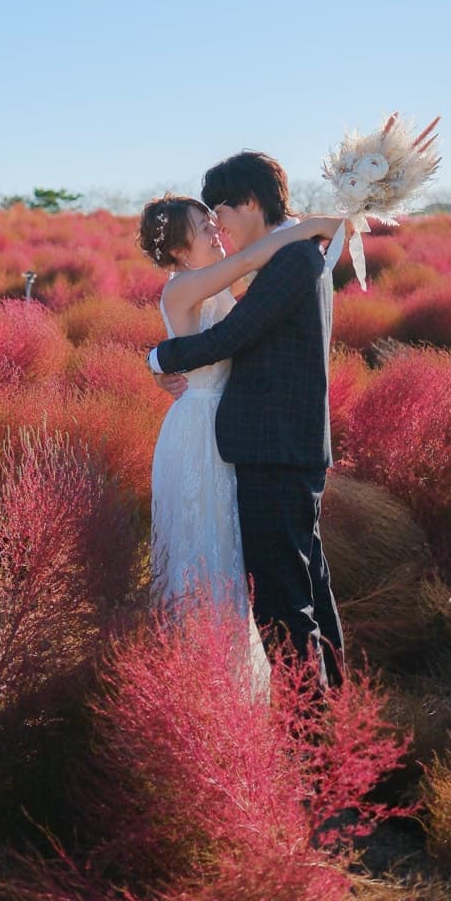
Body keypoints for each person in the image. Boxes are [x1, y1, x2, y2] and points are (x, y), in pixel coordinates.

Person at [147, 152, 348, 687]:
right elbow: (232, 317)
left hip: (272, 449)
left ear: (250, 202)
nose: (219, 229)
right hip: (235, 441)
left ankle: (313, 735)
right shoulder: (285, 257)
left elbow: (232, 336)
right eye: (206, 224)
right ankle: (321, 724)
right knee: (286, 591)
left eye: (221, 215)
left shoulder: (291, 260)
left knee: (286, 603)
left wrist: (160, 359)